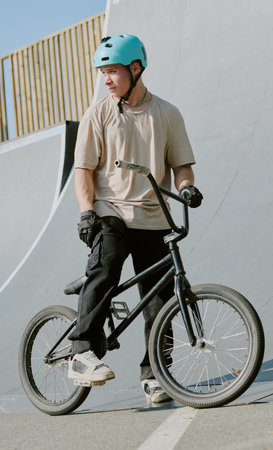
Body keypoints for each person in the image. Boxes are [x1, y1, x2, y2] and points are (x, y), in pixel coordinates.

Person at [68, 34, 202, 403]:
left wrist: (187, 188)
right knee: (106, 268)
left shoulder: (168, 114)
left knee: (161, 297)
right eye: (103, 73)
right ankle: (81, 352)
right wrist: (86, 212)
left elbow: (182, 166)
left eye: (112, 72)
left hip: (155, 216)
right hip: (111, 211)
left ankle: (156, 372)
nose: (106, 79)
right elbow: (82, 170)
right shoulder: (99, 113)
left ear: (136, 68)